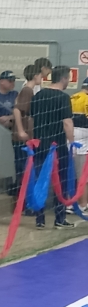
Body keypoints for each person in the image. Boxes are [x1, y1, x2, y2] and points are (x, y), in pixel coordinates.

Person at [30, 65, 75, 230]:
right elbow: (67, 122)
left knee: (40, 181)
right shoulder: (63, 98)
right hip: (58, 145)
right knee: (61, 182)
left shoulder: (38, 96)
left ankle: (40, 219)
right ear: (63, 78)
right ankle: (59, 218)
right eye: (68, 78)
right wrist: (72, 143)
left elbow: (32, 119)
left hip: (40, 144)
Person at [12, 64, 40, 205]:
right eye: (41, 75)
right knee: (23, 170)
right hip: (22, 138)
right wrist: (21, 130)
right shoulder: (27, 91)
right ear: (36, 76)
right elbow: (17, 110)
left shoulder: (29, 91)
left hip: (26, 136)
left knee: (26, 169)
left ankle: (24, 201)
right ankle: (22, 203)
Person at [69, 77, 88, 211]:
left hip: (70, 136)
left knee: (72, 173)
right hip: (83, 138)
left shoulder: (72, 97)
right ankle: (83, 205)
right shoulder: (87, 99)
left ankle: (70, 203)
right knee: (83, 175)